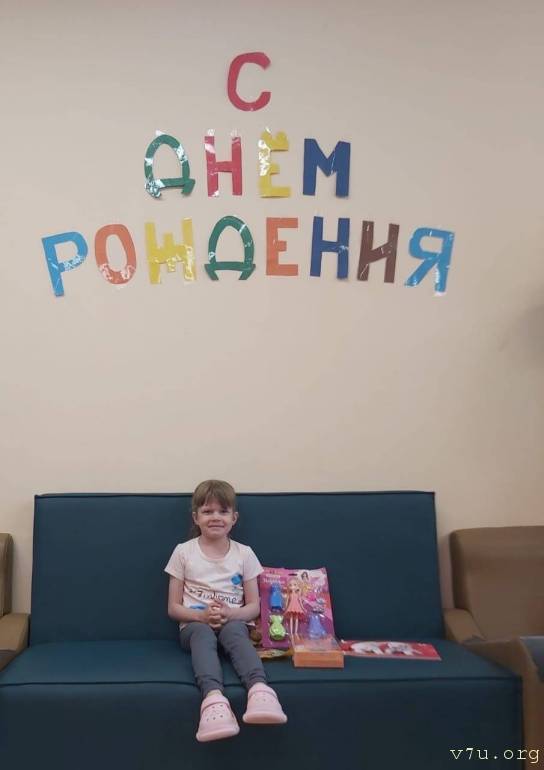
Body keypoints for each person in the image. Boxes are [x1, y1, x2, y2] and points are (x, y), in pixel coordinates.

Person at [165, 479, 287, 742]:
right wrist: (201, 616)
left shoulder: (245, 554)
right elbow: (173, 608)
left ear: (234, 518)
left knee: (234, 632)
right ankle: (213, 699)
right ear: (196, 517)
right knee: (202, 634)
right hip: (194, 625)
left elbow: (254, 606)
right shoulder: (183, 552)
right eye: (207, 511)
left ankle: (259, 689)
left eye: (223, 511)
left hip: (234, 623)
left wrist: (231, 614)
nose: (215, 517)